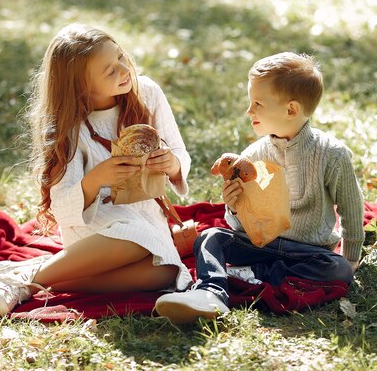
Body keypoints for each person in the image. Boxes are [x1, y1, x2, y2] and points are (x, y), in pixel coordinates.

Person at [0, 23, 193, 316]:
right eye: (109, 71)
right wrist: (96, 179)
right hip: (95, 227)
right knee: (136, 237)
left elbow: (179, 151)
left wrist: (173, 164)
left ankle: (28, 275)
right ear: (81, 85)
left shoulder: (148, 93)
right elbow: (63, 206)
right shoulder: (70, 127)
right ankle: (27, 280)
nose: (123, 69)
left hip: (144, 214)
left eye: (120, 57)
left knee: (166, 272)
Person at [155, 52, 364, 324]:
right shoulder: (252, 156)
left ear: (291, 110)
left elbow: (351, 207)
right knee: (211, 237)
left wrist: (351, 257)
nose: (248, 111)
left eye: (257, 104)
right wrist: (233, 205)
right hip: (262, 244)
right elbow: (241, 226)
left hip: (309, 253)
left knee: (338, 269)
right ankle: (212, 292)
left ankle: (247, 274)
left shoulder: (332, 154)